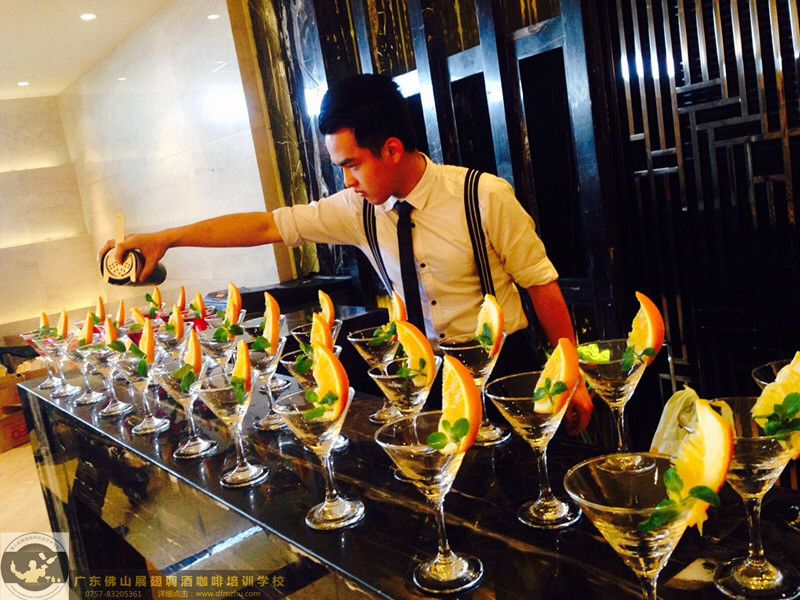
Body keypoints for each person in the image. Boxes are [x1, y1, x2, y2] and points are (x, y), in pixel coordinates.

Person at [99, 74, 592, 433]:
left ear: (392, 149)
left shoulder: (483, 196)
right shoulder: (358, 209)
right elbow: (267, 224)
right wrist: (166, 238)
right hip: (426, 377)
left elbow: (540, 284)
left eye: (352, 164)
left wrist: (571, 375)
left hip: (506, 368)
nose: (347, 180)